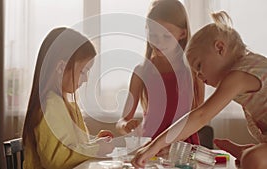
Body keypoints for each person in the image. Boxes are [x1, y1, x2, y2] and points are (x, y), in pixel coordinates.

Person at [131, 11, 267, 169]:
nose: (199, 76)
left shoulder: (240, 75)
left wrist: (154, 146)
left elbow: (201, 115)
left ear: (220, 48)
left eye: (199, 66)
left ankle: (248, 153)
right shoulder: (245, 70)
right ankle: (246, 151)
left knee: (254, 159)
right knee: (254, 154)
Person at [22, 27, 114, 169]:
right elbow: (57, 160)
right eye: (83, 71)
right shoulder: (50, 106)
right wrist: (96, 149)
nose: (86, 79)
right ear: (60, 67)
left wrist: (96, 142)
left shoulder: (65, 104)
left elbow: (73, 148)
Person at [116, 0, 204, 144]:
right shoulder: (141, 71)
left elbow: (201, 117)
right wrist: (126, 126)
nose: (159, 42)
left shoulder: (194, 70)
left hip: (183, 146)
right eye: (153, 35)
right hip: (149, 146)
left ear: (182, 34)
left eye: (166, 36)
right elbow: (122, 121)